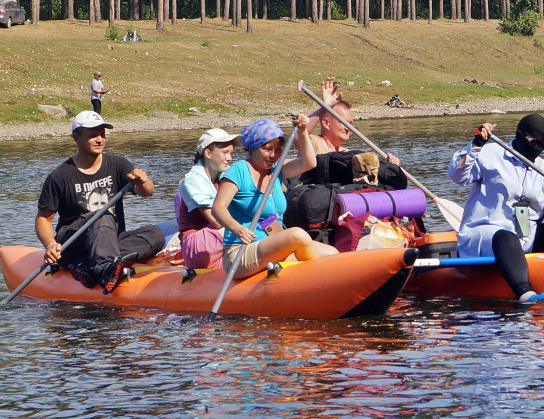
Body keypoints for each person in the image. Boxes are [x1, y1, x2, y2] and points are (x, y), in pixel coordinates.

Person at [448, 113, 544, 303]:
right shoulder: (489, 153)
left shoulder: (542, 166)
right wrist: (476, 144)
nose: (538, 149)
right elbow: (457, 175)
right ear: (521, 136)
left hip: (523, 237)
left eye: (543, 145)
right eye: (534, 143)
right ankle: (524, 292)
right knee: (507, 237)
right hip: (485, 234)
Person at [35, 110, 162, 291]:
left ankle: (95, 265)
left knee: (156, 234)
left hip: (111, 240)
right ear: (76, 138)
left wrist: (143, 180)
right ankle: (104, 271)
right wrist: (50, 244)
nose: (99, 140)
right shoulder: (59, 176)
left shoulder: (118, 164)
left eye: (102, 135)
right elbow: (43, 219)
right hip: (74, 242)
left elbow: (147, 192)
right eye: (92, 135)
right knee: (102, 217)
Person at [210, 115, 338, 278]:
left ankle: (322, 279)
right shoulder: (239, 170)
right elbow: (217, 208)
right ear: (253, 148)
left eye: (278, 150)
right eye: (267, 149)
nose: (273, 155)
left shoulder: (276, 170)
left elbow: (309, 163)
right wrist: (237, 228)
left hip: (273, 244)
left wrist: (303, 131)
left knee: (332, 252)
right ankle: (318, 276)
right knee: (297, 235)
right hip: (240, 252)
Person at [300, 77, 404, 187]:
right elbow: (299, 135)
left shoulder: (347, 153)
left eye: (350, 123)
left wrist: (391, 166)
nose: (348, 128)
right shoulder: (314, 142)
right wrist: (324, 108)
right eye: (343, 122)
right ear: (326, 123)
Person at [175, 128, 236, 270]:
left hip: (218, 244)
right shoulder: (193, 179)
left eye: (231, 153)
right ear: (208, 153)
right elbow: (217, 221)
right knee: (249, 226)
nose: (229, 158)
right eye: (225, 153)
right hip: (196, 246)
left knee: (264, 222)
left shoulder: (223, 177)